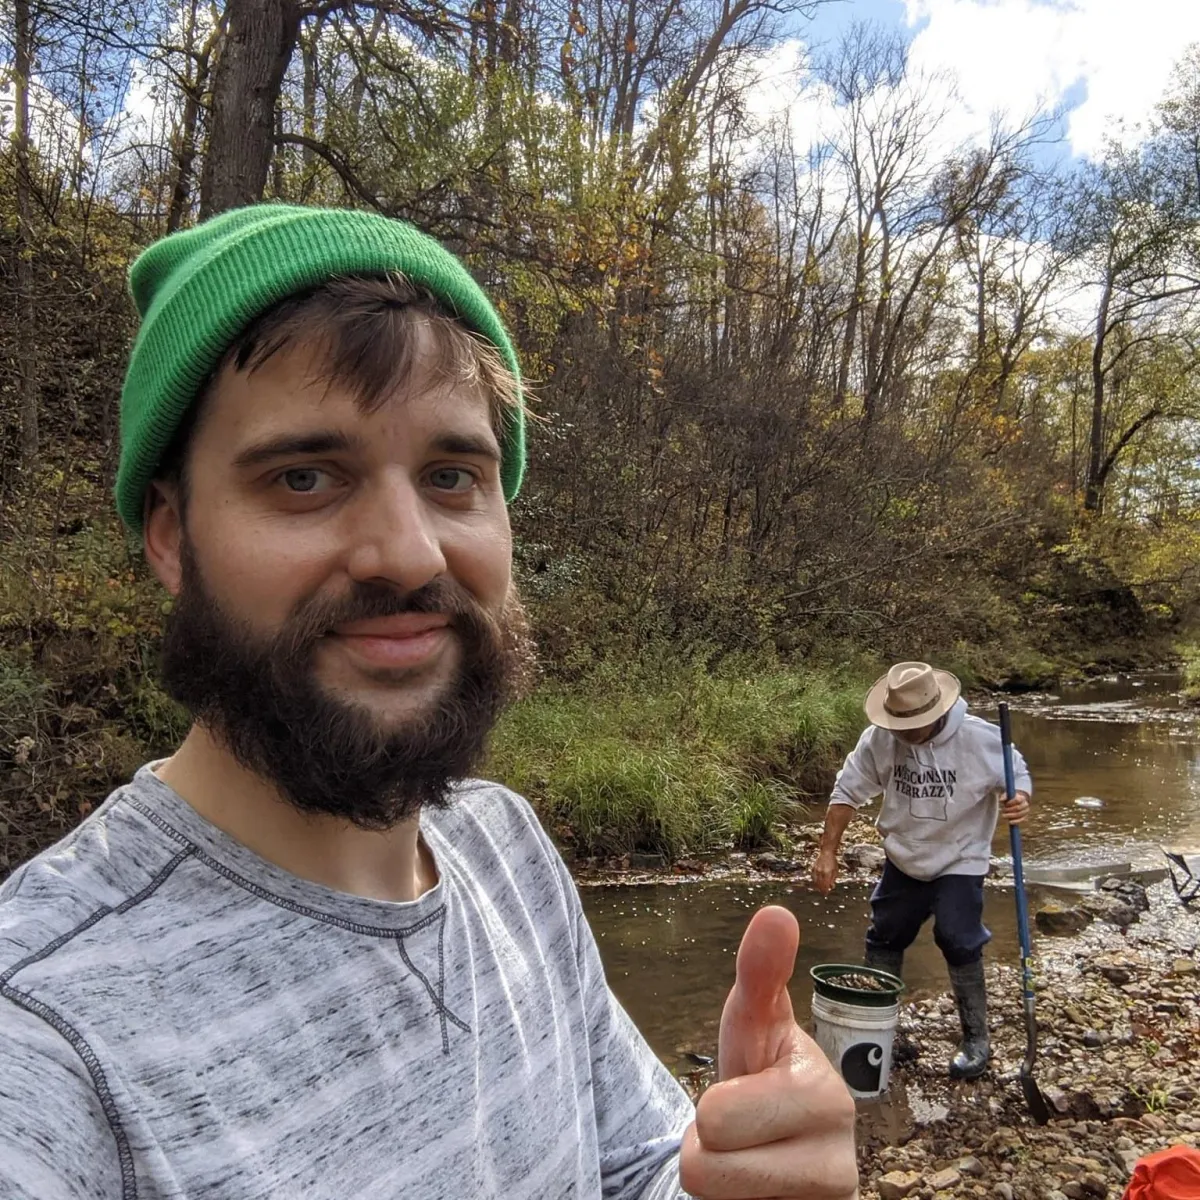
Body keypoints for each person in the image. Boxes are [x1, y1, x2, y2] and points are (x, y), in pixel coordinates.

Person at [0, 205, 857, 1199]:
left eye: (452, 476)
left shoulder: (508, 849)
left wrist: (741, 1182)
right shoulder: (45, 1027)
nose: (408, 553)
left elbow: (630, 1169)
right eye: (306, 477)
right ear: (168, 534)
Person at [810, 662, 1031, 1081]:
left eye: (909, 726)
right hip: (904, 854)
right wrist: (828, 852)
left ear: (935, 715)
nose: (900, 733)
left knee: (956, 935)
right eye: (896, 724)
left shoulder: (980, 739)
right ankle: (880, 1029)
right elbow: (847, 791)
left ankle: (975, 1038)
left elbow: (1014, 774)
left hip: (960, 856)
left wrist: (1019, 799)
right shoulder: (881, 739)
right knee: (885, 934)